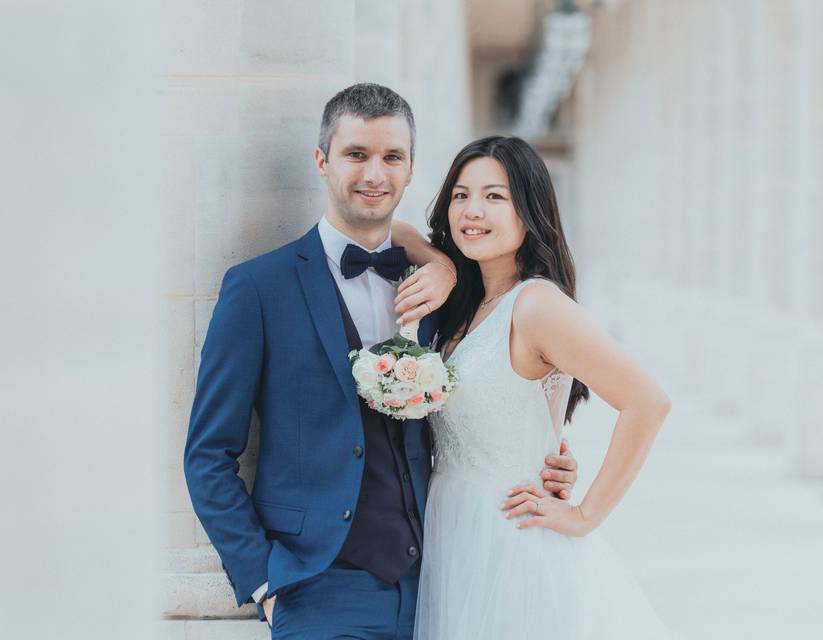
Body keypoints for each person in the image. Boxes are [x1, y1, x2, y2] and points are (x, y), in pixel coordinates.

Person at [183, 84, 579, 639]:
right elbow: (208, 455)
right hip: (317, 590)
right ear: (322, 161)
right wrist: (262, 583)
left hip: (441, 583)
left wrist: (547, 455)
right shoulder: (257, 288)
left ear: (411, 168)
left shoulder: (452, 293)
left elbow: (501, 392)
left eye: (392, 157)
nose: (375, 174)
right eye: (356, 155)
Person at [413, 136, 673, 639]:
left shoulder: (536, 304)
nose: (472, 210)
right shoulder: (466, 306)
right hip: (454, 532)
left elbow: (647, 400)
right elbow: (399, 231)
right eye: (460, 194)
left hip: (513, 540)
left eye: (495, 196)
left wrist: (583, 514)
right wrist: (443, 263)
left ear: (529, 210)